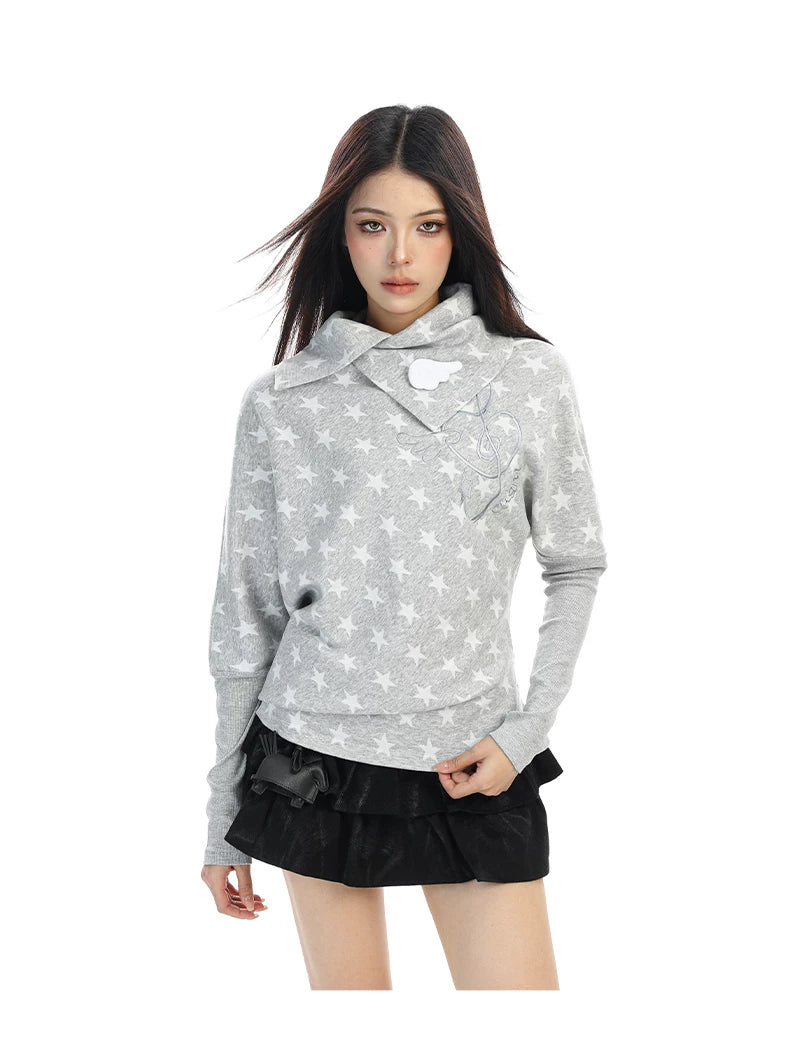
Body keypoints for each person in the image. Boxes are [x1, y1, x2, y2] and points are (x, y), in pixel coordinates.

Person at [199, 104, 608, 990]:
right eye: (371, 225)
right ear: (340, 236)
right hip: (310, 759)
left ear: (460, 232)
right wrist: (221, 817)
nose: (400, 255)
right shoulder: (283, 403)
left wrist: (525, 732)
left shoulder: (527, 376)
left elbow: (575, 563)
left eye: (428, 226)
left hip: (473, 757)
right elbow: (246, 622)